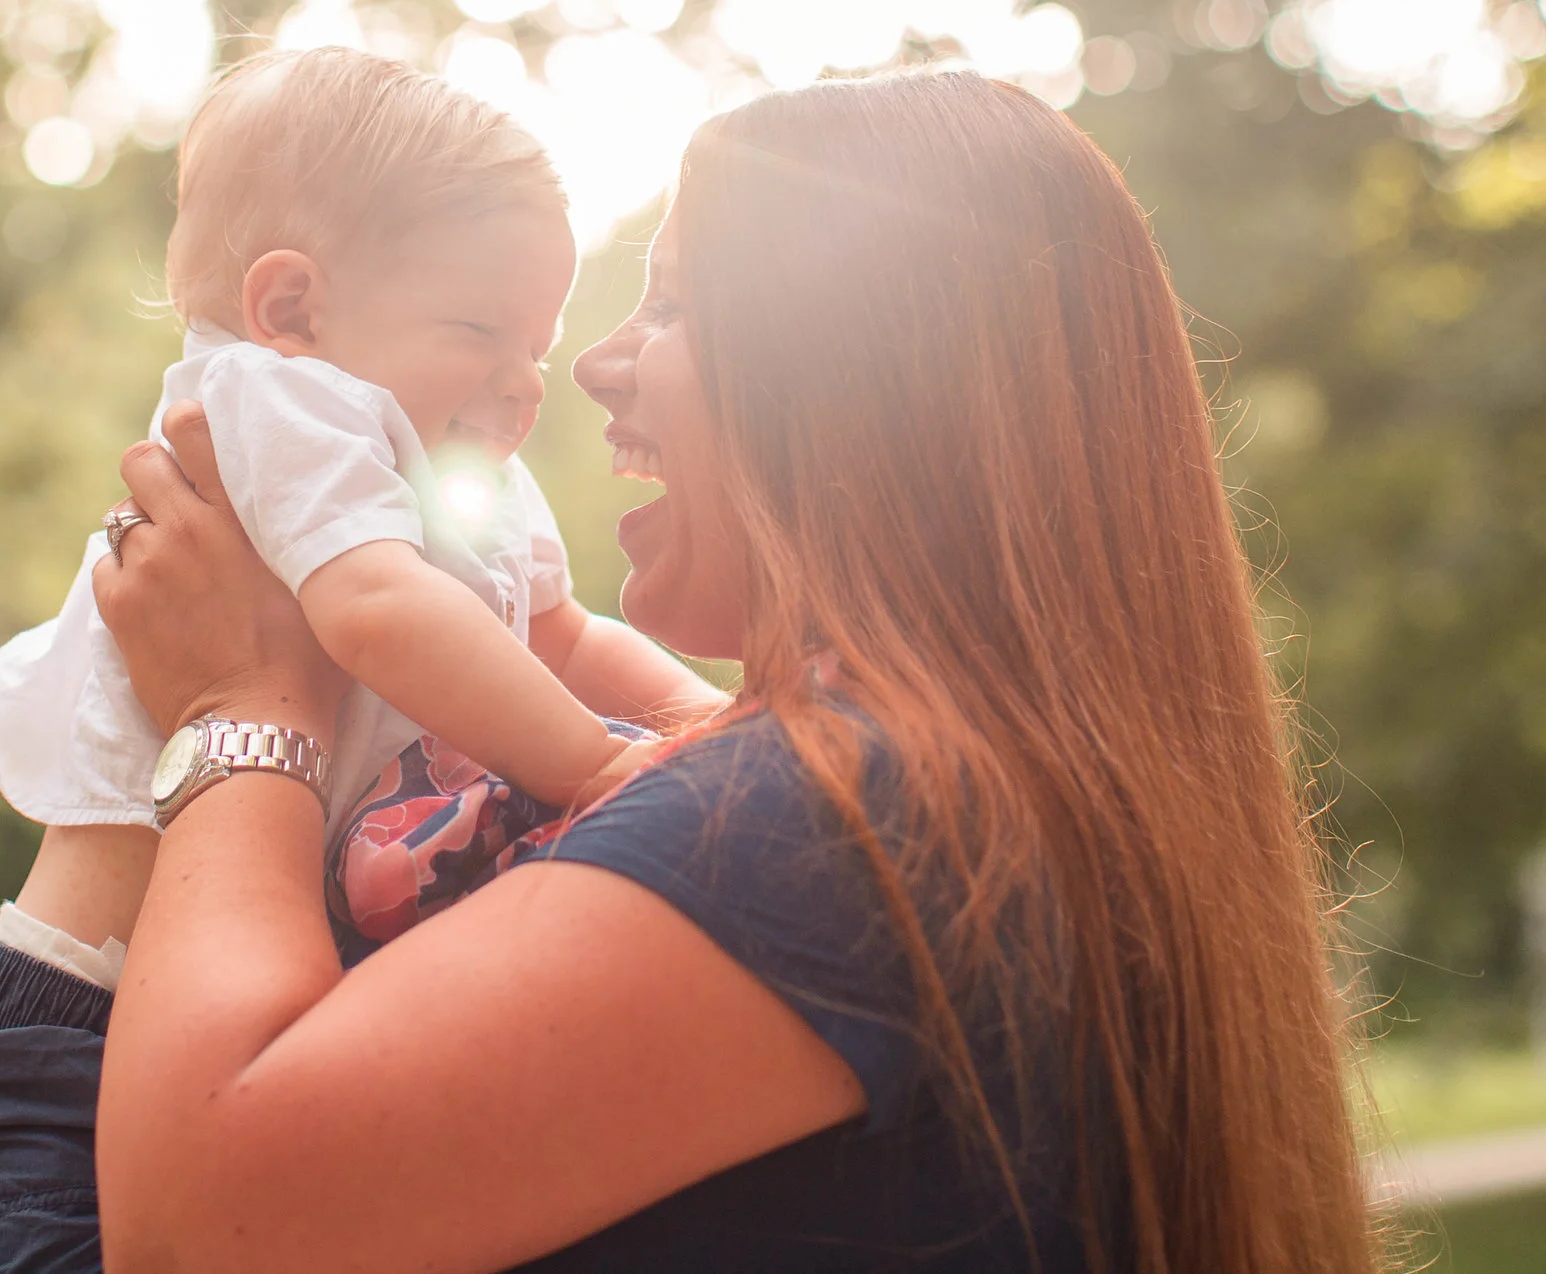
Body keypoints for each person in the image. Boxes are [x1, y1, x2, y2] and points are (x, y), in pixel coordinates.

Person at [81, 68, 1378, 1272]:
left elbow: (194, 1231)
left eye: (679, 303)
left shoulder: (824, 814)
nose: (590, 361)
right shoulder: (976, 786)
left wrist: (237, 706)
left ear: (872, 382)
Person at [0, 48, 722, 1274]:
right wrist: (601, 768)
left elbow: (566, 635)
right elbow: (374, 615)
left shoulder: (457, 467)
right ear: (293, 310)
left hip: (226, 989)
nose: (526, 383)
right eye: (480, 331)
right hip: (67, 1046)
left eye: (534, 346)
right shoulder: (279, 405)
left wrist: (706, 720)